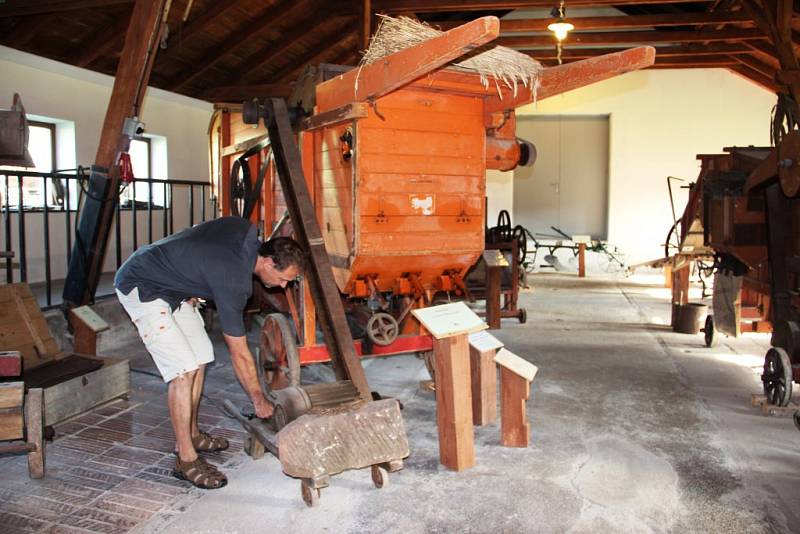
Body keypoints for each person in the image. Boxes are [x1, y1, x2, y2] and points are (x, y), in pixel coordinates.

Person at [114, 216, 304, 489]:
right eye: (284, 279)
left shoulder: (246, 230)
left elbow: (198, 234)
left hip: (174, 286)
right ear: (268, 262)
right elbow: (239, 352)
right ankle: (185, 458)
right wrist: (258, 400)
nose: (285, 286)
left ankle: (192, 434)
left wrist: (192, 277)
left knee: (201, 357)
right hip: (142, 284)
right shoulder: (235, 283)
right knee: (183, 371)